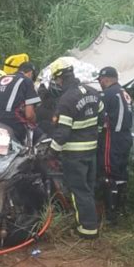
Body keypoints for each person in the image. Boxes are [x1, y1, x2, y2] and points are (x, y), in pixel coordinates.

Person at [49, 58, 104, 239]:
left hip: (74, 154)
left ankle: (87, 229)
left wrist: (52, 151)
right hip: (91, 150)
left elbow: (63, 134)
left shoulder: (66, 100)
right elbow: (102, 119)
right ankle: (92, 221)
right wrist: (94, 135)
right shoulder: (93, 92)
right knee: (88, 188)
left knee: (79, 190)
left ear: (60, 79)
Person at [96, 66, 133, 225]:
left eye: (100, 80)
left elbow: (100, 118)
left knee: (109, 172)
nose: (100, 83)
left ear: (106, 79)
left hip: (112, 136)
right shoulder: (125, 94)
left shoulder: (107, 94)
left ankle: (111, 215)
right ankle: (122, 208)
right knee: (121, 172)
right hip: (126, 136)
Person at [0, 62, 41, 143]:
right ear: (30, 73)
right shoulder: (27, 81)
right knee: (41, 136)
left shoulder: (0, 79)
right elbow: (29, 115)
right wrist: (34, 121)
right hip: (12, 125)